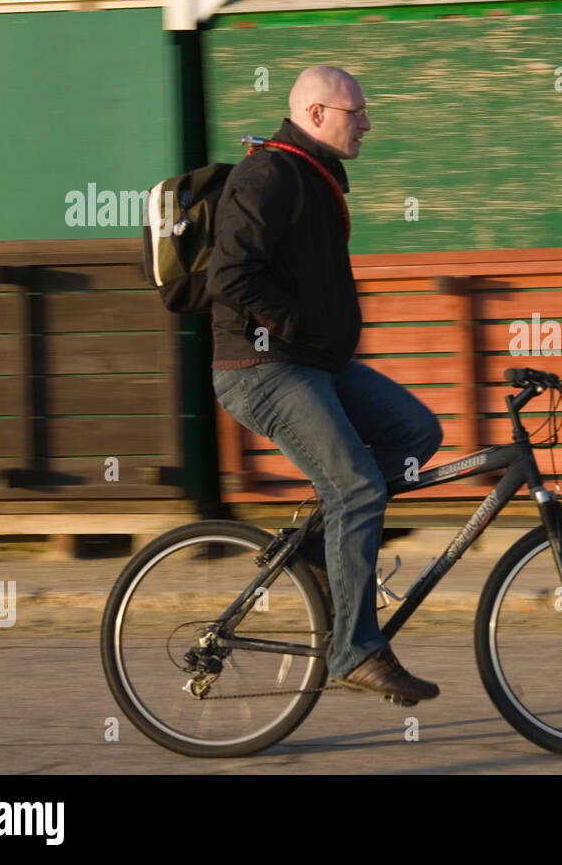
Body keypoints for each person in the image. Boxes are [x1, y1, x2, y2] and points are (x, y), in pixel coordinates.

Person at [207, 64, 443, 703]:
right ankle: (354, 651)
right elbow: (229, 277)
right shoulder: (269, 173)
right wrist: (298, 325)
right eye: (356, 112)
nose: (367, 122)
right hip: (262, 369)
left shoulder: (311, 176)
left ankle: (320, 553)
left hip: (312, 364)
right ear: (314, 114)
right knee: (358, 486)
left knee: (417, 433)